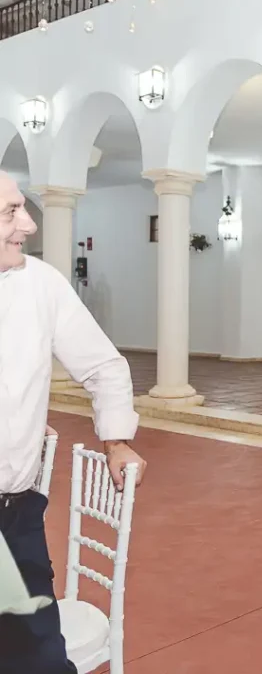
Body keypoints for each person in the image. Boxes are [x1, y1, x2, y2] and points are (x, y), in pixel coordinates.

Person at [0, 171, 148, 673]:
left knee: (39, 660)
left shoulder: (40, 284)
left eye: (22, 207)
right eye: (10, 212)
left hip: (12, 522)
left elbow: (105, 366)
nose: (28, 224)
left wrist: (117, 440)